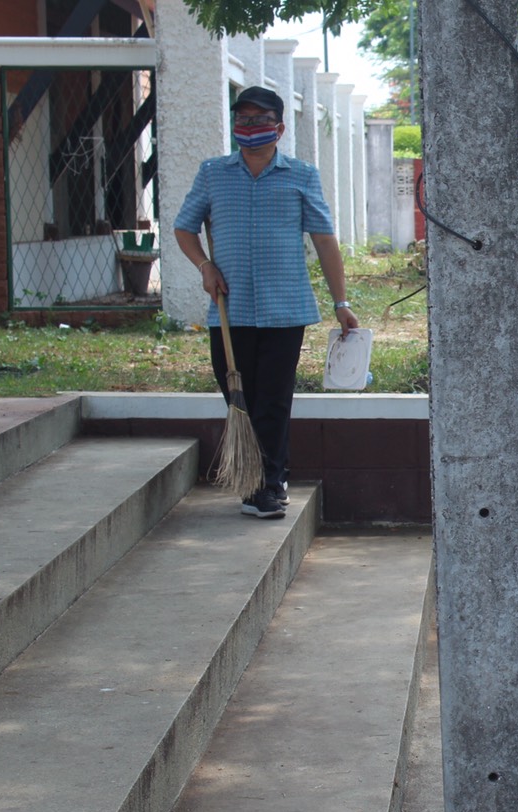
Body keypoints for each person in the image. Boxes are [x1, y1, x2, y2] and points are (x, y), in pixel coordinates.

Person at [174, 85, 358, 520]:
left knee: (273, 399)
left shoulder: (301, 175)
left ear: (278, 127)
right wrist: (204, 266)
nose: (250, 127)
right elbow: (185, 228)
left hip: (284, 309)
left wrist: (341, 301)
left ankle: (268, 485)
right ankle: (259, 474)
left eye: (260, 120)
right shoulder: (213, 173)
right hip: (229, 310)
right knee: (237, 395)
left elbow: (325, 240)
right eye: (243, 119)